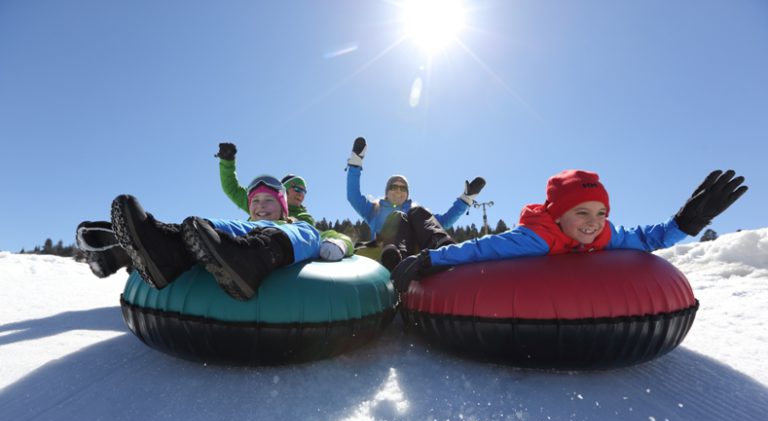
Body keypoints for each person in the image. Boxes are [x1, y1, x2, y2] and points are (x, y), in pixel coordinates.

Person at [390, 169, 748, 292]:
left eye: (601, 212)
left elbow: (646, 239)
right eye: (582, 212)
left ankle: (413, 230)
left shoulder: (603, 234)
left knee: (421, 223)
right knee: (423, 222)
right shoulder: (536, 237)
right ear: (559, 216)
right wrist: (430, 258)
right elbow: (481, 249)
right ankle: (408, 236)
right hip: (440, 244)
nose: (594, 221)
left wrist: (686, 223)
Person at [110, 175, 335, 300]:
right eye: (255, 201)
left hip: (283, 244)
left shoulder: (294, 222)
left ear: (283, 207)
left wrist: (337, 243)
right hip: (245, 240)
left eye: (269, 201)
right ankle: (166, 250)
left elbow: (332, 236)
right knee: (209, 226)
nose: (261, 206)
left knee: (307, 231)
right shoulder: (246, 224)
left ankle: (252, 262)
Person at [345, 136, 486, 268]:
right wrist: (355, 163)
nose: (398, 191)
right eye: (394, 187)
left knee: (419, 214)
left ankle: (445, 253)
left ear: (407, 194)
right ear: (386, 192)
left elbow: (443, 222)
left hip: (412, 256)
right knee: (396, 217)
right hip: (385, 257)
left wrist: (466, 199)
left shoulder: (416, 212)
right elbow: (353, 196)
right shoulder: (375, 210)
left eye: (403, 188)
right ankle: (394, 256)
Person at [216, 142, 315, 225]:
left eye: (304, 191)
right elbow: (231, 188)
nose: (301, 194)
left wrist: (329, 239)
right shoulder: (258, 202)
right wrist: (227, 161)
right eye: (297, 189)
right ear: (284, 191)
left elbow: (311, 234)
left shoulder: (305, 218)